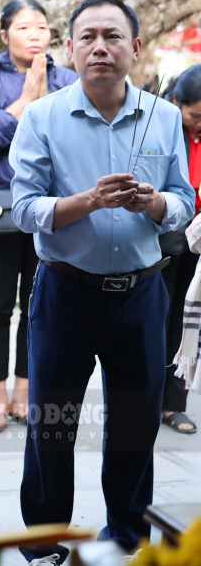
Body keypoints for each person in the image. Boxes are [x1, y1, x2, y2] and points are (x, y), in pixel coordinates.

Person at [9, 0, 194, 564]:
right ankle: (44, 544)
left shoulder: (164, 116)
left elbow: (185, 202)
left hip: (141, 292)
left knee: (136, 424)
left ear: (134, 47)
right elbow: (24, 209)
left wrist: (153, 204)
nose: (100, 48)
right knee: (52, 423)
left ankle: (128, 539)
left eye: (112, 36)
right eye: (87, 37)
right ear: (70, 49)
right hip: (65, 290)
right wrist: (85, 202)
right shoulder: (43, 117)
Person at [0, 0, 79, 433]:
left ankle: (23, 394)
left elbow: (74, 139)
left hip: (49, 208)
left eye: (42, 27)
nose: (35, 35)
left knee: (37, 305)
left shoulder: (67, 80)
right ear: (4, 34)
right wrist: (26, 101)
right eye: (25, 27)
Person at [158, 65, 201, 435]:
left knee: (187, 322)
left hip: (197, 243)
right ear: (176, 102)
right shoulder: (159, 129)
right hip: (163, 239)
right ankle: (144, 397)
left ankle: (174, 404)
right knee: (156, 317)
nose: (200, 123)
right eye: (196, 115)